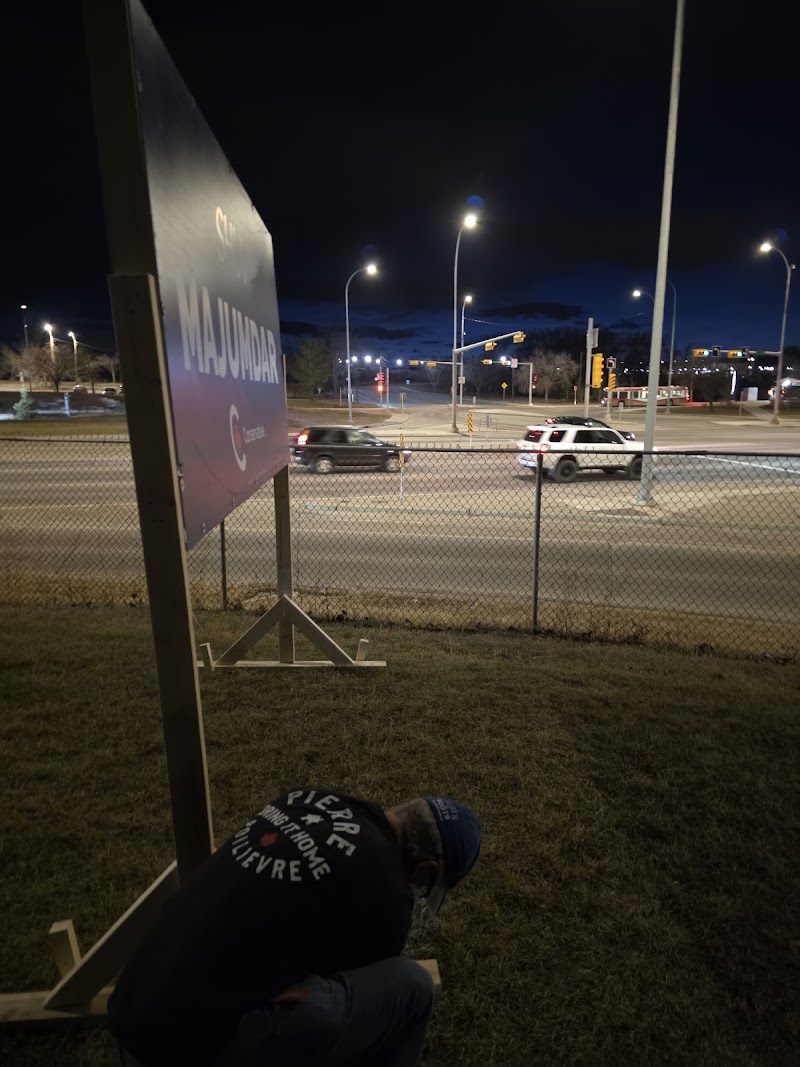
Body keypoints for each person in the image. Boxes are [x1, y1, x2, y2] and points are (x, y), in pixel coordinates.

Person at [109, 787, 481, 1066]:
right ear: (425, 871)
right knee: (412, 988)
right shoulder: (389, 896)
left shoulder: (310, 798)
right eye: (425, 889)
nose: (417, 894)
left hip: (132, 1012)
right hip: (184, 1051)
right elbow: (342, 986)